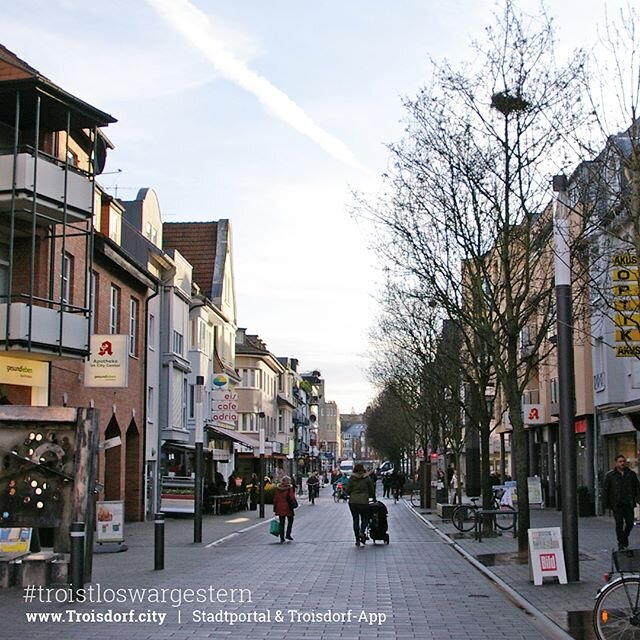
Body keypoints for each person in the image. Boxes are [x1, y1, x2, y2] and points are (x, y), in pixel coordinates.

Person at [603, 454, 640, 550]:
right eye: (620, 462)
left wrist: (638, 499)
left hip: (628, 502)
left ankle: (624, 537)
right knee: (619, 523)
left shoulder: (631, 474)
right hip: (617, 504)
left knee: (630, 522)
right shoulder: (610, 475)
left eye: (623, 461)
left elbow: (637, 487)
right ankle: (621, 543)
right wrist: (606, 503)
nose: (622, 463)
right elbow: (606, 490)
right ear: (616, 463)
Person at [346, 463, 375, 547]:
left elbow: (347, 490)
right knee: (365, 518)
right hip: (364, 502)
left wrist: (350, 493)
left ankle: (357, 539)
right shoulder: (367, 478)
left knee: (355, 519)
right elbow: (371, 489)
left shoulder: (352, 478)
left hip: (353, 502)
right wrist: (372, 497)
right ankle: (362, 532)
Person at [272, 475, 297, 543]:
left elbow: (275, 498)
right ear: (287, 481)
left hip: (279, 507)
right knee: (290, 520)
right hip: (288, 507)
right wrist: (294, 503)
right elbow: (291, 497)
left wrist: (275, 507)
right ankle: (288, 534)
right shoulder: (289, 488)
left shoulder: (278, 488)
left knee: (282, 522)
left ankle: (282, 538)